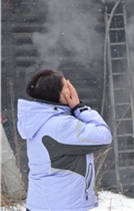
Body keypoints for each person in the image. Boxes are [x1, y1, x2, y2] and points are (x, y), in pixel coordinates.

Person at [17, 69, 112, 211]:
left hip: (42, 204)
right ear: (58, 94)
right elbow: (103, 136)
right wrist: (79, 107)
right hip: (61, 206)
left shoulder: (40, 120)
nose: (71, 89)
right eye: (66, 86)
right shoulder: (60, 125)